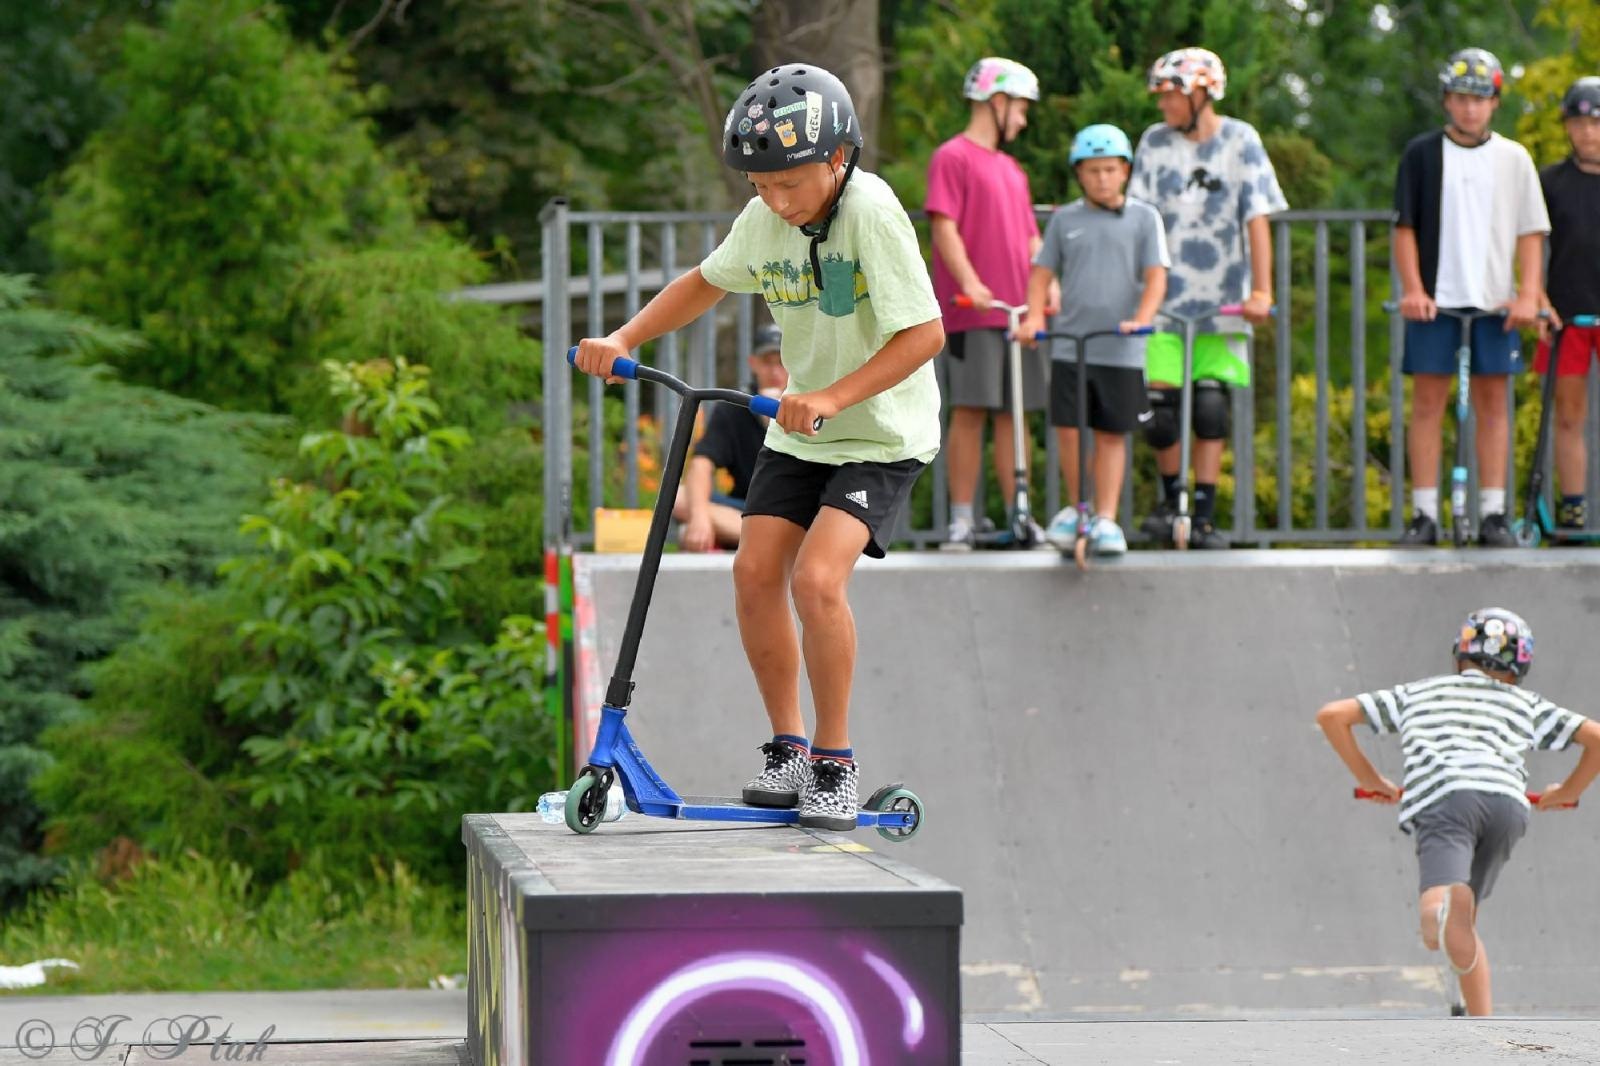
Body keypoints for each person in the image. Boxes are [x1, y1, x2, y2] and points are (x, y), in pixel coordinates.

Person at [573, 64, 943, 831]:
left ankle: (835, 765)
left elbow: (926, 333)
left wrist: (837, 396)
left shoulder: (871, 212)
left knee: (816, 581)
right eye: (760, 184)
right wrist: (623, 338)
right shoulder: (764, 216)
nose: (775, 200)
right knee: (751, 573)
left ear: (838, 160)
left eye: (791, 185)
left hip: (879, 433)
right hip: (799, 432)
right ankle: (788, 749)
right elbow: (704, 283)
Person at [1315, 607, 1600, 1016]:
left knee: (1438, 919)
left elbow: (1332, 716)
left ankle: (1444, 910)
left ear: (1460, 655)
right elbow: (1596, 738)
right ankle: (1483, 1035)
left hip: (1448, 799)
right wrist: (1566, 791)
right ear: (1519, 667)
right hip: (1506, 807)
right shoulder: (1525, 702)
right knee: (1462, 926)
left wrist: (1373, 778)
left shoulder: (1419, 693)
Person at [1130, 47, 1285, 549]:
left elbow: (1257, 218)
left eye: (1170, 94)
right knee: (1160, 412)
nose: (1163, 106)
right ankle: (1170, 499)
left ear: (1201, 91)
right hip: (1162, 300)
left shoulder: (1242, 140)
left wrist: (1262, 289)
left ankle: (1205, 514)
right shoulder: (1154, 144)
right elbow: (1138, 218)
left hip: (1223, 299)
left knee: (1212, 409)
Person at [1393, 47, 1548, 547]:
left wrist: (1527, 294)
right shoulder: (1421, 154)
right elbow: (1405, 228)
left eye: (1479, 100)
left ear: (1495, 103)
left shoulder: (1513, 158)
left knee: (1493, 403)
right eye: (1460, 99)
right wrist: (1414, 290)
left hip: (1493, 302)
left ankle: (1493, 513)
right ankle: (1423, 514)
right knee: (1428, 403)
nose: (1469, 109)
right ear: (1446, 101)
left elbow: (1530, 231)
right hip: (1437, 301)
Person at [1020, 124, 1168, 556]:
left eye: (1109, 169)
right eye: (1092, 171)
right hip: (1070, 344)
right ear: (1079, 174)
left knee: (1110, 434)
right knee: (1068, 430)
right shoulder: (1065, 219)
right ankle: (1078, 506)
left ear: (1124, 171)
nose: (1102, 178)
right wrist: (1032, 317)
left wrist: (1141, 319)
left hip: (1120, 348)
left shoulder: (1144, 218)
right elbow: (1041, 273)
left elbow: (1157, 275)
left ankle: (1106, 516)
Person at [926, 56, 1055, 548]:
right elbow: (944, 226)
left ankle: (1018, 513)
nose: (1022, 118)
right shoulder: (953, 157)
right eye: (1020, 107)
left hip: (1017, 313)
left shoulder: (1012, 169)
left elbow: (1030, 238)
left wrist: (1048, 285)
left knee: (1015, 413)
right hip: (973, 310)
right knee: (972, 408)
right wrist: (971, 283)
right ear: (996, 101)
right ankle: (962, 518)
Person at [1535, 77, 1600, 535]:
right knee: (1569, 415)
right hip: (1567, 316)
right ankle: (1573, 508)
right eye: (1579, 124)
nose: (1589, 133)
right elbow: (1533, 247)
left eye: (1596, 123)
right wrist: (1537, 299)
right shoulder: (1550, 182)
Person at [673, 323, 789, 551]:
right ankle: (777, 543)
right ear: (753, 363)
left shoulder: (812, 404)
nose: (775, 371)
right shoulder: (735, 407)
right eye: (767, 362)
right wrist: (700, 518)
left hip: (796, 510)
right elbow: (702, 463)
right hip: (743, 509)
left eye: (782, 362)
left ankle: (767, 540)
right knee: (676, 498)